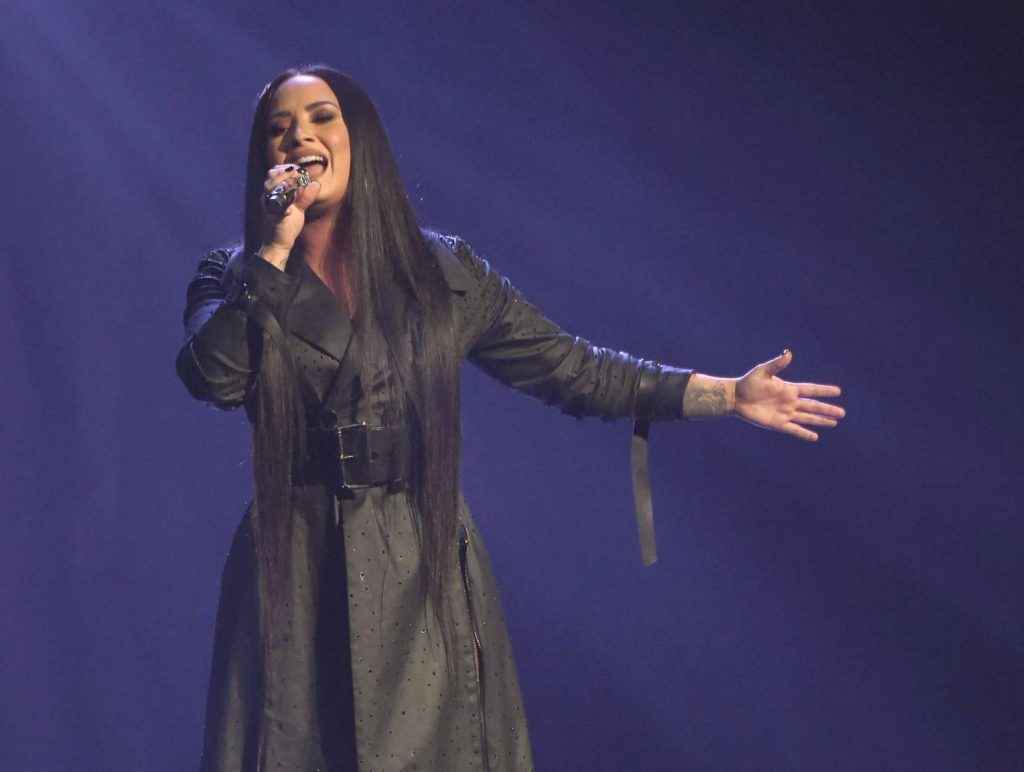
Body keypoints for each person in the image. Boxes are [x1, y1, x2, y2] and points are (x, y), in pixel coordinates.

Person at [176, 64, 845, 772]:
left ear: (360, 138)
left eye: (321, 117)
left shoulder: (440, 272)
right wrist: (272, 256)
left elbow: (571, 366)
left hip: (417, 562)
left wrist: (725, 394)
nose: (299, 137)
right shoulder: (234, 275)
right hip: (295, 565)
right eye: (279, 129)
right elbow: (213, 377)